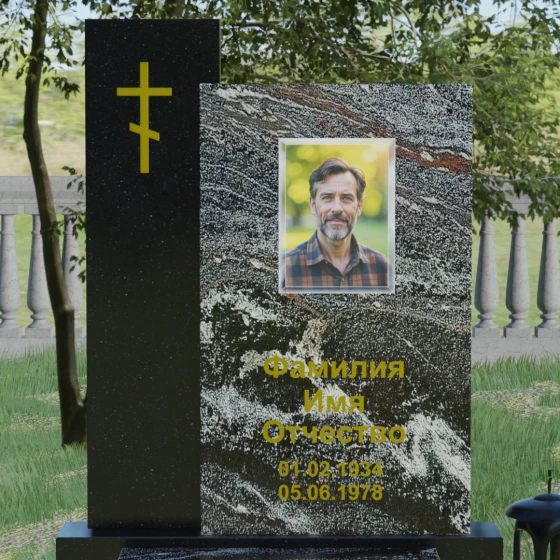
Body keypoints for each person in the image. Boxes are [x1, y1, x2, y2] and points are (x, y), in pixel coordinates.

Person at [281, 157, 388, 291]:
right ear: (313, 205)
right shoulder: (284, 270)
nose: (337, 208)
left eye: (346, 198)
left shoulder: (383, 269)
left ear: (359, 206)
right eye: (327, 197)